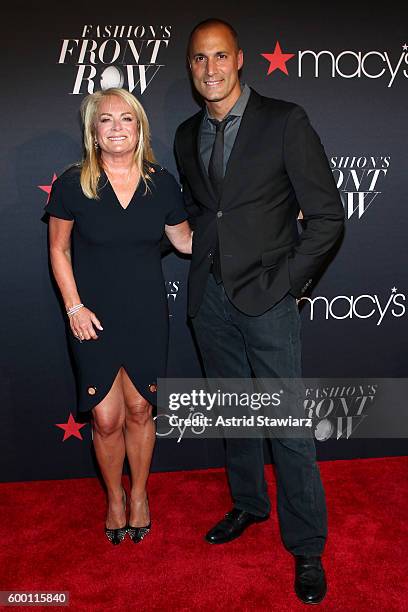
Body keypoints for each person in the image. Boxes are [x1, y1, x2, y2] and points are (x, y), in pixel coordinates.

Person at [174, 19, 344, 604]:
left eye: (220, 56)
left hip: (267, 299)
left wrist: (288, 285)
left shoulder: (284, 120)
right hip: (211, 300)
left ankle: (307, 548)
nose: (211, 69)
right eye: (199, 59)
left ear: (240, 59)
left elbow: (327, 218)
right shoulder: (183, 133)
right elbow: (206, 212)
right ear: (190, 67)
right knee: (235, 416)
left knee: (288, 427)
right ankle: (249, 504)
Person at [46, 88, 191, 545]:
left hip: (146, 312)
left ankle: (140, 495)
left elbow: (186, 241)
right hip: (92, 316)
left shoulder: (161, 183)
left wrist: (251, 226)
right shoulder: (74, 183)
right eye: (105, 120)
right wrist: (73, 307)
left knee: (140, 408)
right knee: (105, 418)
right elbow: (58, 249)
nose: (116, 128)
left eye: (125, 119)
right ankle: (114, 497)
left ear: (139, 126)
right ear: (93, 131)